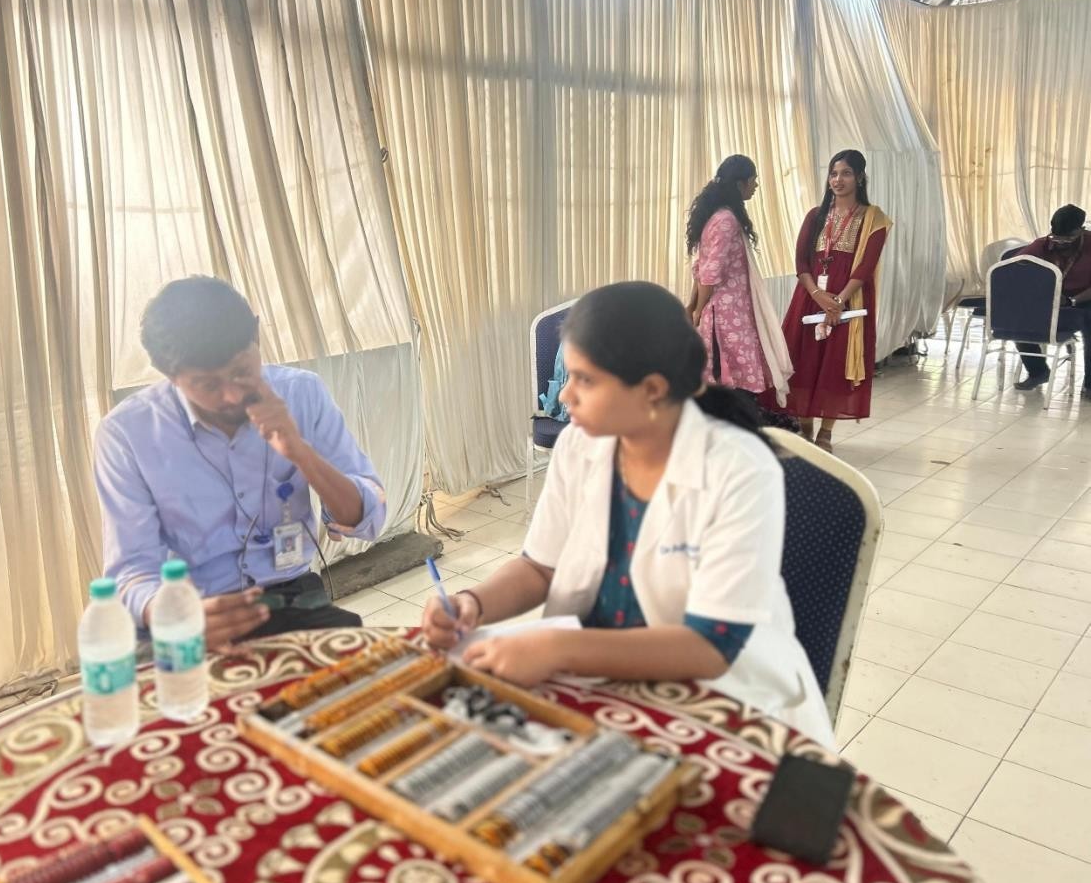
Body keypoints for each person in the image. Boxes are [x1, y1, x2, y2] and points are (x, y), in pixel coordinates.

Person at [420, 281, 835, 748]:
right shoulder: (580, 445)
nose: (564, 397)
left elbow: (710, 646)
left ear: (652, 390)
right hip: (595, 678)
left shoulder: (739, 469)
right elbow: (539, 568)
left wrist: (557, 648)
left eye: (585, 380)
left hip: (716, 697)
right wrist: (473, 604)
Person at [94, 277, 386, 650]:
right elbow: (131, 570)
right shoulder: (127, 433)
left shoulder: (302, 393)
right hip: (189, 609)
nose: (232, 395)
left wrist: (300, 452)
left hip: (289, 596)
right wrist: (173, 616)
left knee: (365, 676)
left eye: (241, 371)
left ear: (257, 338)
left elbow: (368, 518)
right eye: (208, 385)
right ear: (171, 376)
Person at [772, 150, 890, 452]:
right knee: (803, 362)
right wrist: (817, 295)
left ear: (860, 177)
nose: (838, 180)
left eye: (846, 173)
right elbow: (801, 262)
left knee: (834, 365)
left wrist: (838, 302)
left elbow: (865, 267)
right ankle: (805, 429)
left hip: (849, 301)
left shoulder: (873, 218)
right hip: (809, 297)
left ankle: (825, 432)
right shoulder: (815, 216)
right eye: (833, 173)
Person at [686, 155, 792, 408]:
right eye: (753, 180)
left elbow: (701, 267)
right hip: (727, 316)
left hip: (725, 313)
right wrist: (698, 309)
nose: (756, 185)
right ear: (739, 183)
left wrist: (694, 306)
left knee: (730, 378)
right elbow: (710, 272)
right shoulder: (726, 220)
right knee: (734, 380)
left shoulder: (715, 216)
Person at [1014, 204, 1091, 396]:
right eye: (1057, 237)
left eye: (1068, 238)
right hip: (1051, 299)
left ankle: (1090, 385)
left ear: (1081, 230)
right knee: (1018, 318)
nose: (1061, 243)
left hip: (1084, 299)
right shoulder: (1041, 245)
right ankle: (1038, 372)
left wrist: (1073, 301)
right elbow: (1013, 270)